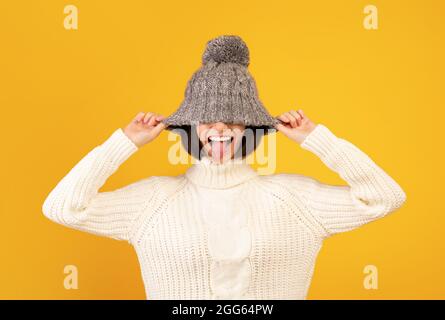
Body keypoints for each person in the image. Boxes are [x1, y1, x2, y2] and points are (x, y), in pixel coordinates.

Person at [42, 35, 406, 299]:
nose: (220, 128)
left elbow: (384, 198)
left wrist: (316, 138)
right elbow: (63, 208)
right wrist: (123, 143)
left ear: (251, 127)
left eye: (233, 118)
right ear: (189, 126)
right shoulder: (152, 201)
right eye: (207, 119)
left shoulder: (294, 199)